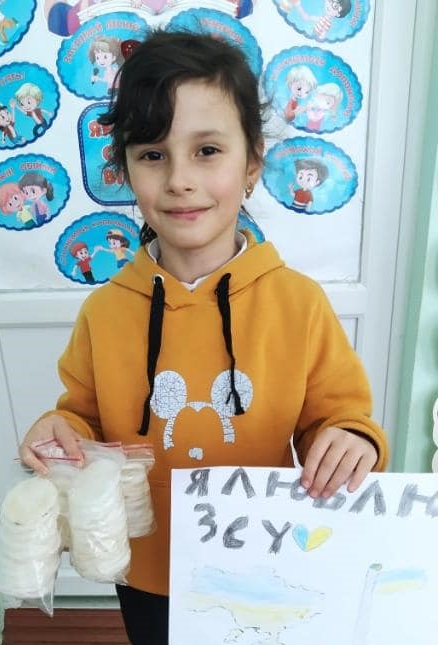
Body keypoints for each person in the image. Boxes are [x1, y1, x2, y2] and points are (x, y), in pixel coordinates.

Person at [19, 30, 388, 645]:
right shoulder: (104, 312)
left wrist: (353, 439)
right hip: (145, 566)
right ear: (125, 169)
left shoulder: (298, 304)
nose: (180, 179)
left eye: (208, 150)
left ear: (252, 164)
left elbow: (339, 417)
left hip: (263, 561)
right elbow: (82, 419)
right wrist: (62, 431)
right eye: (152, 154)